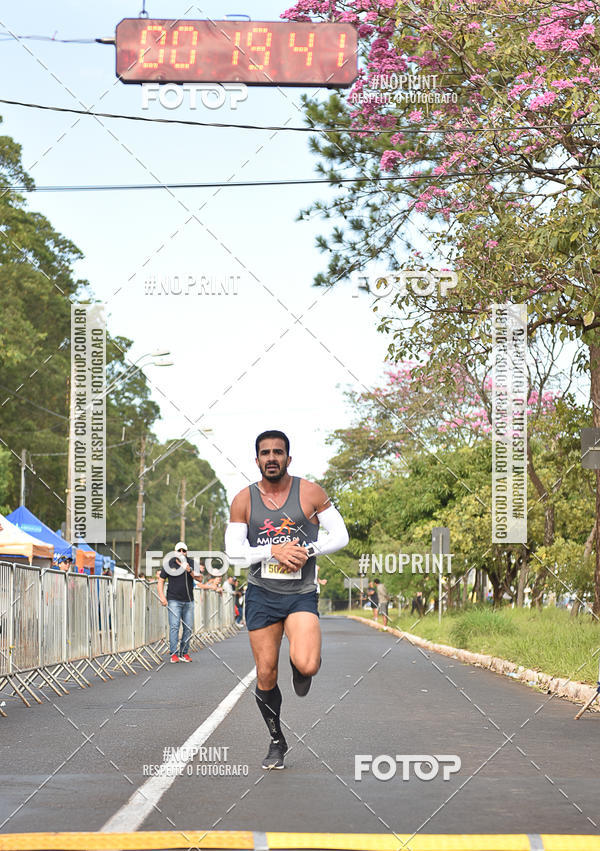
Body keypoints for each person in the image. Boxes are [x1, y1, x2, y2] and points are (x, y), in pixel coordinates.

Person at [225, 430, 349, 770]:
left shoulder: (310, 492)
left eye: (278, 452)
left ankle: (300, 665)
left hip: (300, 595)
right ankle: (277, 739)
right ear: (257, 460)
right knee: (265, 674)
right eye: (265, 453)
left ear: (288, 459)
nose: (271, 458)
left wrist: (306, 549)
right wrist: (273, 549)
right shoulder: (243, 500)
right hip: (262, 596)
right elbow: (235, 553)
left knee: (308, 664)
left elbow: (341, 535)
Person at [157, 541, 210, 663]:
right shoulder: (169, 563)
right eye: (179, 550)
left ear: (186, 552)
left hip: (188, 600)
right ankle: (174, 654)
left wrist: (190, 570)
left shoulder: (191, 563)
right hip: (174, 599)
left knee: (188, 627)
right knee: (174, 626)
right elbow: (160, 580)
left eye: (184, 551)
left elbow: (200, 578)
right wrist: (162, 596)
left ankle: (184, 652)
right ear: (175, 552)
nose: (181, 553)